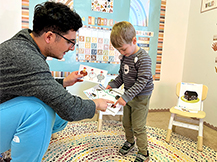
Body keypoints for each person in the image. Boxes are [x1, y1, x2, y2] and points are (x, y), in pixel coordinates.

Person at [0, 2, 113, 162]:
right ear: (49, 37)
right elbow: (69, 108)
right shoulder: (26, 57)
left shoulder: (25, 42)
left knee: (55, 109)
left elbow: (34, 85)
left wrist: (63, 82)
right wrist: (96, 105)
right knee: (40, 111)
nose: (72, 48)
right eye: (70, 41)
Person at [106, 21, 154, 162]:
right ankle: (130, 141)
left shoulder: (144, 58)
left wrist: (125, 97)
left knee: (138, 126)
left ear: (134, 40)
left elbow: (142, 82)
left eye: (123, 49)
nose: (121, 53)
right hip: (129, 95)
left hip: (141, 97)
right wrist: (112, 85)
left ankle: (144, 152)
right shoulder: (125, 57)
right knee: (127, 123)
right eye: (119, 50)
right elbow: (121, 76)